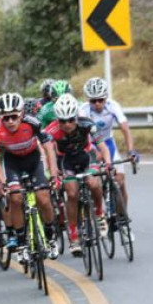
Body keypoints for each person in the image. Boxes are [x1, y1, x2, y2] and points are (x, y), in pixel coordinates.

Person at [0, 92, 60, 257]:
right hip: (13, 162)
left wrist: (54, 174)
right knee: (15, 198)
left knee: (43, 198)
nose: (10, 121)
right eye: (6, 118)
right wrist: (2, 183)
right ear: (0, 118)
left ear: (21, 114)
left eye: (14, 116)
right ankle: (21, 243)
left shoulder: (33, 123)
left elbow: (48, 148)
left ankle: (50, 236)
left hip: (34, 159)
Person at [45, 93, 112, 256]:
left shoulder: (87, 124)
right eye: (62, 121)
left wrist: (108, 163)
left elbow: (102, 145)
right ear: (57, 120)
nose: (67, 124)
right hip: (66, 161)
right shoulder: (51, 131)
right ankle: (74, 236)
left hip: (86, 157)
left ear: (76, 117)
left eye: (70, 120)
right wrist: (53, 173)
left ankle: (99, 214)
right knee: (72, 193)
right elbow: (49, 153)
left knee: (93, 183)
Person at [80, 77, 139, 208]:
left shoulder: (113, 106)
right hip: (91, 145)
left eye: (100, 100)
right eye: (93, 101)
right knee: (96, 183)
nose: (97, 104)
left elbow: (125, 129)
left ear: (105, 98)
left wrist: (131, 151)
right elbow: (83, 136)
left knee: (120, 181)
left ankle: (122, 218)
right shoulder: (83, 110)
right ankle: (99, 212)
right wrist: (94, 152)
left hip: (108, 143)